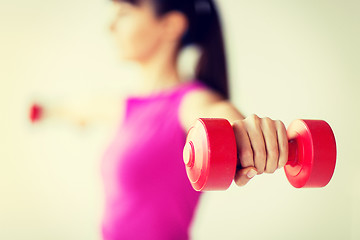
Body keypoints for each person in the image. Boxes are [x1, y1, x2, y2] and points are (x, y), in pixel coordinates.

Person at [31, 0, 288, 239]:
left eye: (123, 13)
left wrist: (245, 132)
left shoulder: (191, 102)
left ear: (170, 26)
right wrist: (46, 111)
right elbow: (80, 107)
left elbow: (222, 119)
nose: (109, 26)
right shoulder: (125, 105)